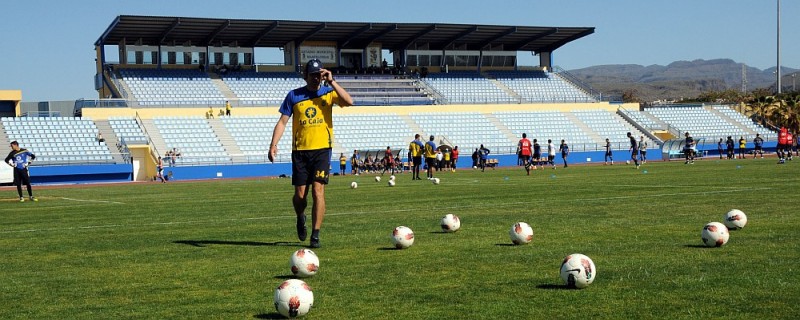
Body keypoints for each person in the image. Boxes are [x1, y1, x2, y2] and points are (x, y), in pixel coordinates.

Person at [268, 59, 354, 248]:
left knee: (318, 190)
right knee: (300, 196)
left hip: (322, 150)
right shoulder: (294, 95)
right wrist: (273, 144)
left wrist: (332, 81)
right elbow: (282, 122)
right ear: (305, 76)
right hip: (300, 151)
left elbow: (349, 101)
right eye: (313, 75)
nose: (316, 78)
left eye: (318, 75)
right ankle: (300, 216)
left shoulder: (328, 93)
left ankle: (315, 235)